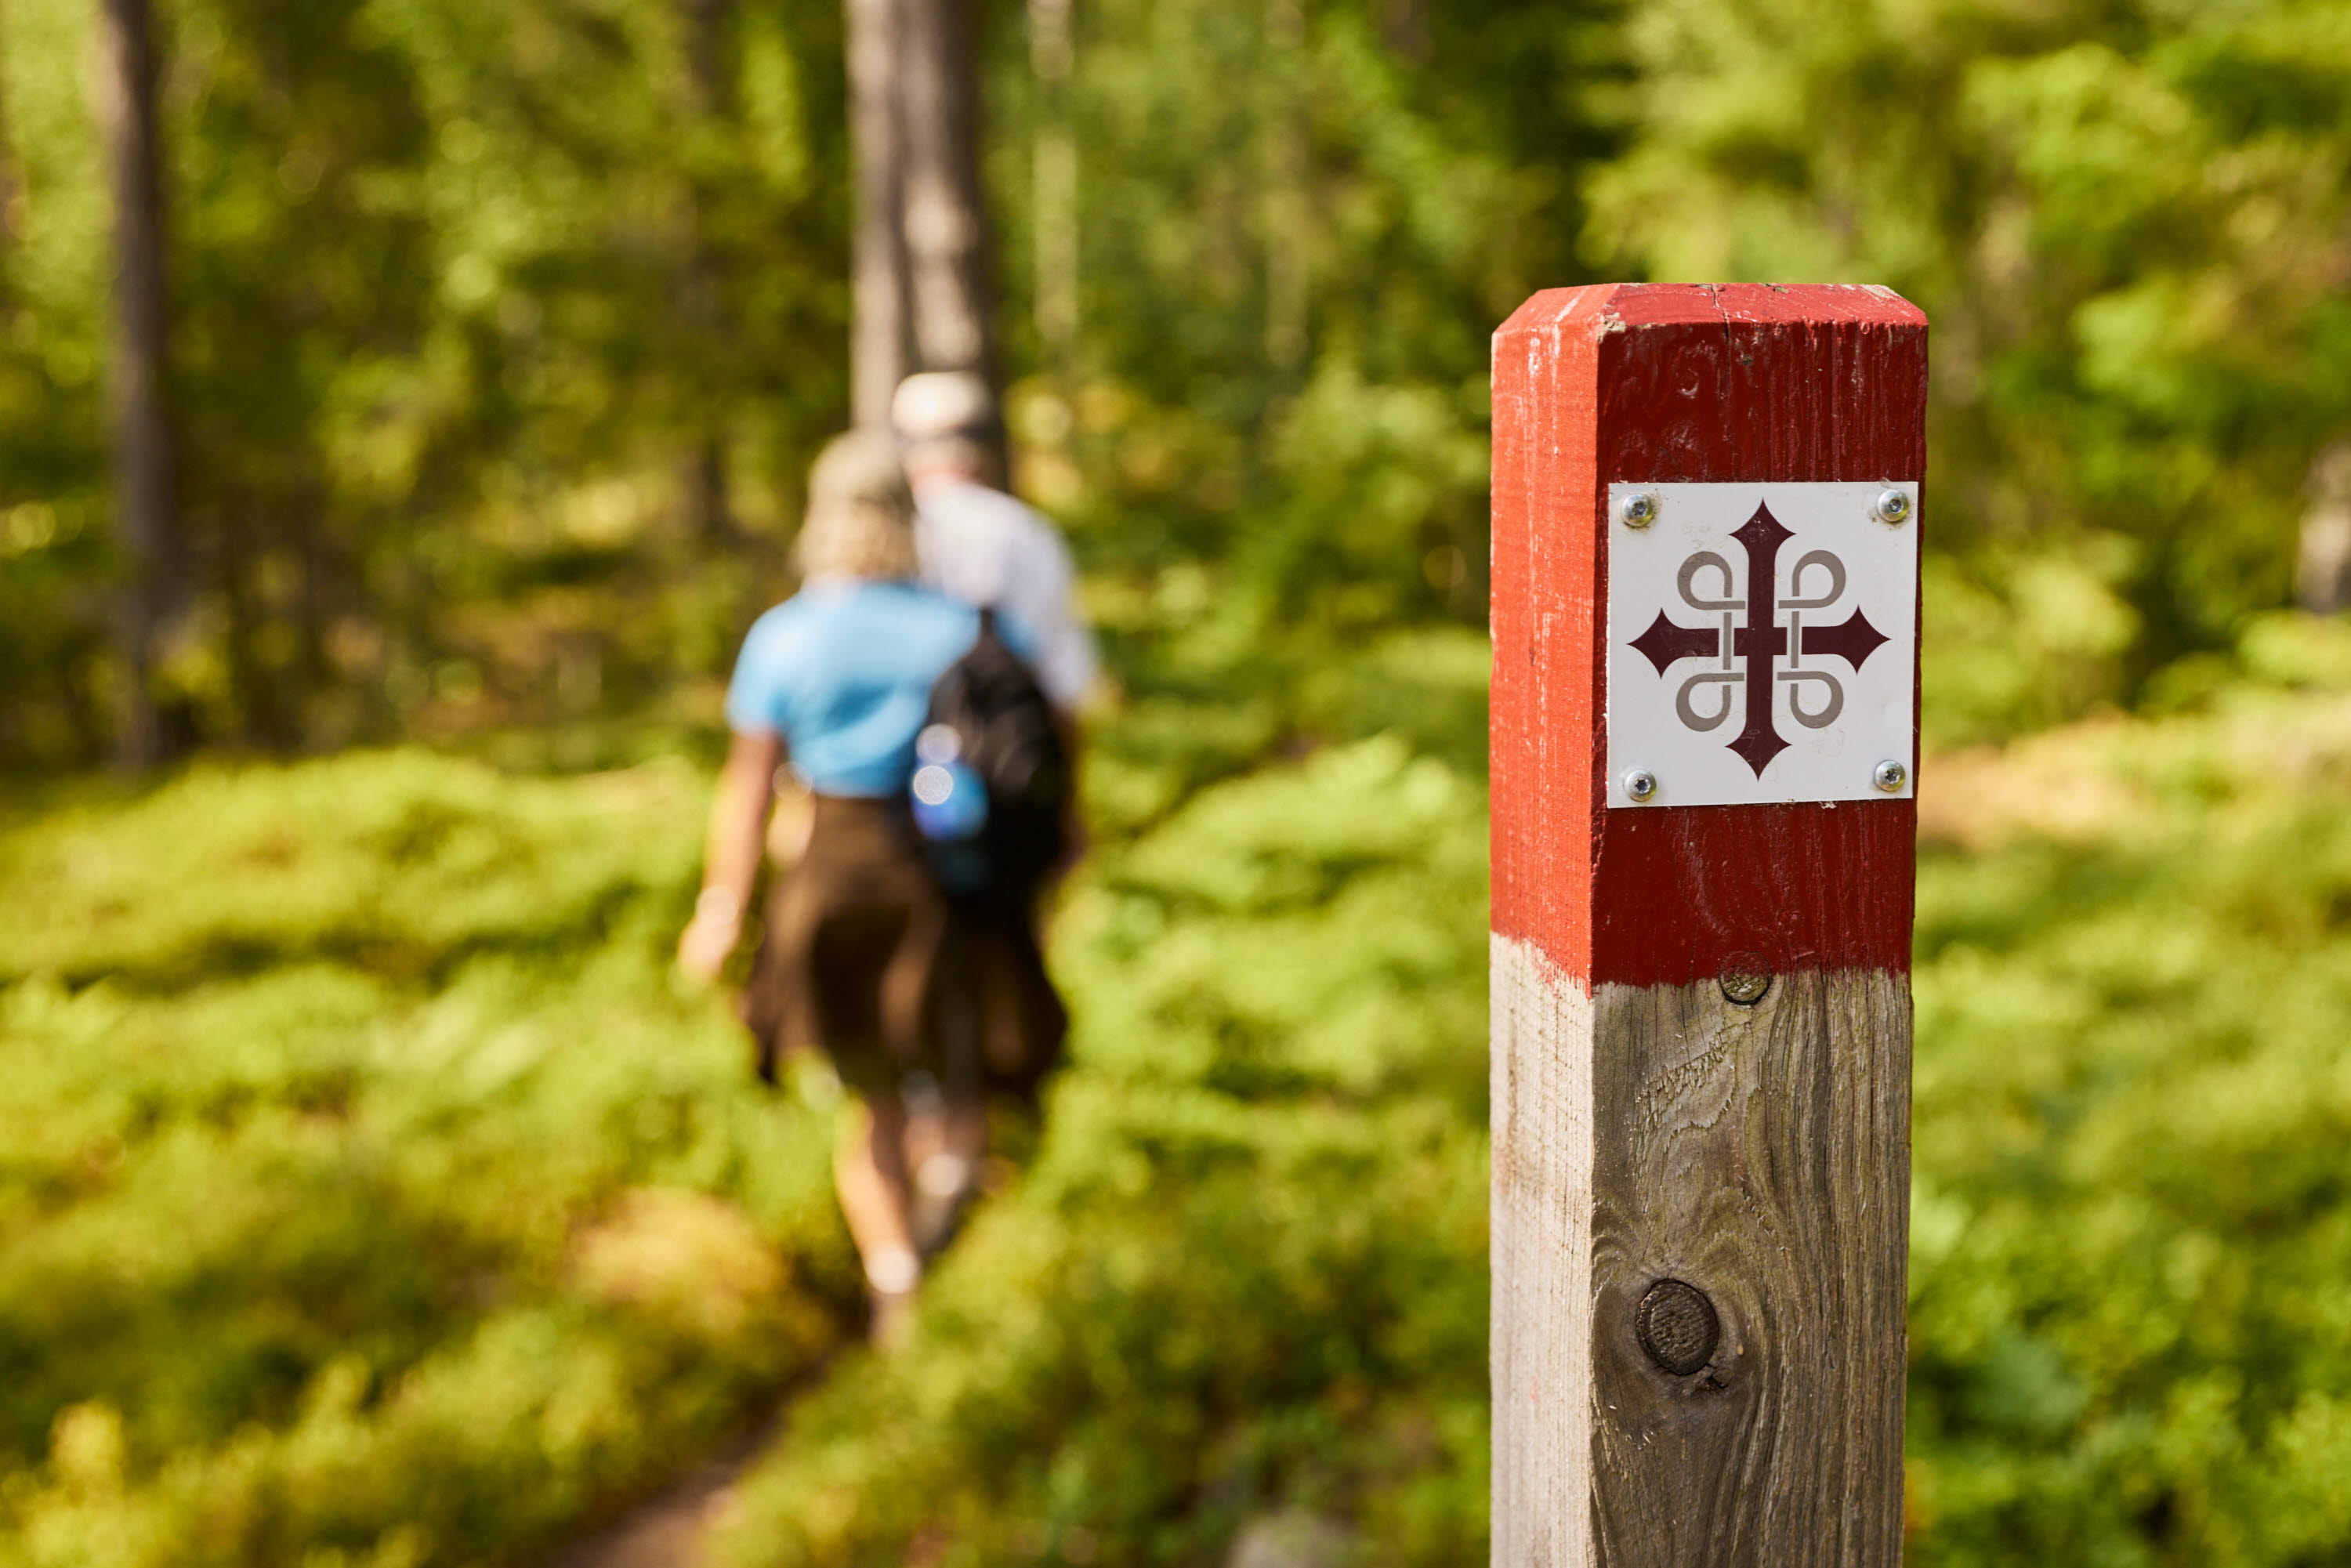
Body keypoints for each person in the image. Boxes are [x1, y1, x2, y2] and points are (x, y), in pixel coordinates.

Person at [675, 430, 1064, 1336]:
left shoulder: (786, 636)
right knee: (957, 1083)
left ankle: (895, 1285)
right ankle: (944, 1212)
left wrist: (721, 909)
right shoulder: (968, 628)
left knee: (870, 1102)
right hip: (951, 885)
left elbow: (749, 787)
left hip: (833, 884)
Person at [892, 371, 1099, 714]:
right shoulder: (1025, 530)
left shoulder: (887, 532)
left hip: (907, 729)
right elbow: (1064, 669)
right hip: (1008, 729)